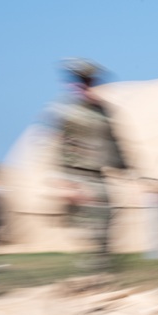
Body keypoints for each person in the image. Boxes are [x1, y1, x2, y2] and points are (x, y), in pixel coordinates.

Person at [49, 58, 129, 274]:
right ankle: (89, 275)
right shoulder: (64, 111)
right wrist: (64, 183)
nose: (85, 86)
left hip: (98, 176)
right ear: (73, 84)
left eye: (89, 81)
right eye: (80, 81)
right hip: (76, 176)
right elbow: (55, 148)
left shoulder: (103, 112)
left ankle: (101, 274)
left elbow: (114, 143)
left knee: (105, 223)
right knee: (87, 230)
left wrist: (128, 170)